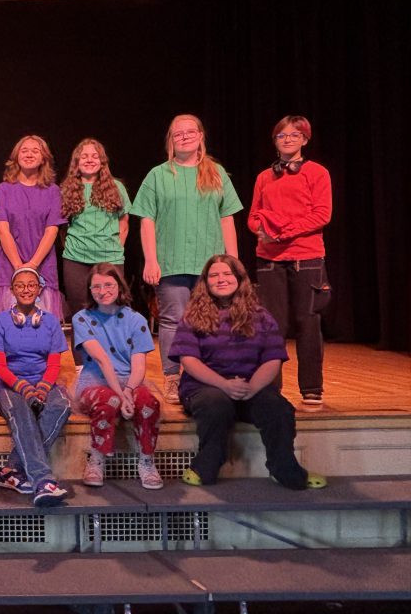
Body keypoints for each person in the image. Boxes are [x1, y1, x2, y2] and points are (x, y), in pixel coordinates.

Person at [170, 255, 327, 489]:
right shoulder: (192, 316)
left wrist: (251, 388)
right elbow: (189, 360)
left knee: (279, 409)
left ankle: (284, 469)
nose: (221, 279)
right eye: (214, 275)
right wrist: (224, 385)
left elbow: (273, 359)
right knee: (216, 404)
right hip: (205, 388)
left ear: (239, 279)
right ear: (206, 282)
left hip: (250, 386)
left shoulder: (261, 316)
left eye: (227, 274)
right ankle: (206, 466)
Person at [131, 114, 243, 404]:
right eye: (177, 133)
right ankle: (172, 377)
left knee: (215, 319)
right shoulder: (158, 175)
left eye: (189, 132)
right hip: (171, 261)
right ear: (171, 140)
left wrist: (233, 263)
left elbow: (227, 218)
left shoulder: (216, 172)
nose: (184, 136)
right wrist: (151, 260)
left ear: (200, 136)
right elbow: (146, 220)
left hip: (212, 265)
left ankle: (212, 374)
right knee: (172, 320)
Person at [247, 116, 332, 406]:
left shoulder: (316, 173)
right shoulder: (264, 177)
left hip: (306, 257)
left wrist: (282, 232)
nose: (287, 140)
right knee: (272, 325)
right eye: (281, 136)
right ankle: (271, 389)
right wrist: (264, 230)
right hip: (269, 258)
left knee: (307, 322)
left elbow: (322, 214)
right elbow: (253, 216)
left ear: (305, 139)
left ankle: (311, 389)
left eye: (294, 135)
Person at [72, 264, 163, 490]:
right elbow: (103, 361)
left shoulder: (136, 320)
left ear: (119, 286)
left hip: (128, 381)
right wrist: (122, 396)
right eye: (96, 287)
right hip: (96, 381)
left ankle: (147, 460)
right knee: (108, 402)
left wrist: (129, 390)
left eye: (108, 285)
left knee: (148, 404)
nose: (102, 291)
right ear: (89, 290)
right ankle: (97, 458)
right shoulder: (82, 318)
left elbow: (139, 363)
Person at [0, 267, 71, 507]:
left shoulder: (51, 322)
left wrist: (44, 386)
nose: (26, 289)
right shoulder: (0, 322)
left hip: (42, 381)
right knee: (21, 412)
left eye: (31, 285)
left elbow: (54, 363)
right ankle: (43, 481)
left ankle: (12, 469)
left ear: (39, 289)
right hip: (9, 385)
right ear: (12, 290)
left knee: (62, 406)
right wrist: (23, 387)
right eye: (20, 285)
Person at [58, 138, 132, 367]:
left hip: (109, 259)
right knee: (81, 314)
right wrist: (71, 248)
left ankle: (116, 366)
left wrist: (115, 248)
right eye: (84, 156)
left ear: (102, 161)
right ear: (76, 162)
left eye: (94, 156)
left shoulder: (116, 187)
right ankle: (82, 368)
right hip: (76, 260)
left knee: (111, 311)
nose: (89, 160)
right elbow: (61, 226)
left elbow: (124, 222)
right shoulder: (67, 189)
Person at [0, 135, 66, 320]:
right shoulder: (3, 189)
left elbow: (52, 231)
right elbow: (2, 230)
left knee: (41, 325)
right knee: (11, 325)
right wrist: (19, 267)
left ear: (44, 158)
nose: (29, 154)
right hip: (10, 265)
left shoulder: (53, 191)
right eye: (24, 151)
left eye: (35, 151)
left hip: (42, 265)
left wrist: (32, 266)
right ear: (16, 156)